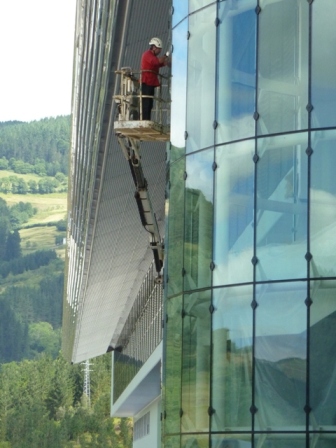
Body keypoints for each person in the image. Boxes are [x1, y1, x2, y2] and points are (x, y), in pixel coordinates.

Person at [140, 37, 169, 120]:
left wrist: (166, 62)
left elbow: (158, 64)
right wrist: (165, 56)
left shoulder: (151, 56)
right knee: (146, 103)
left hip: (150, 82)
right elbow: (156, 62)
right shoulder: (147, 55)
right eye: (159, 49)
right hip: (146, 82)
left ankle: (146, 119)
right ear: (154, 47)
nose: (159, 51)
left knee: (149, 103)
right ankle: (144, 119)